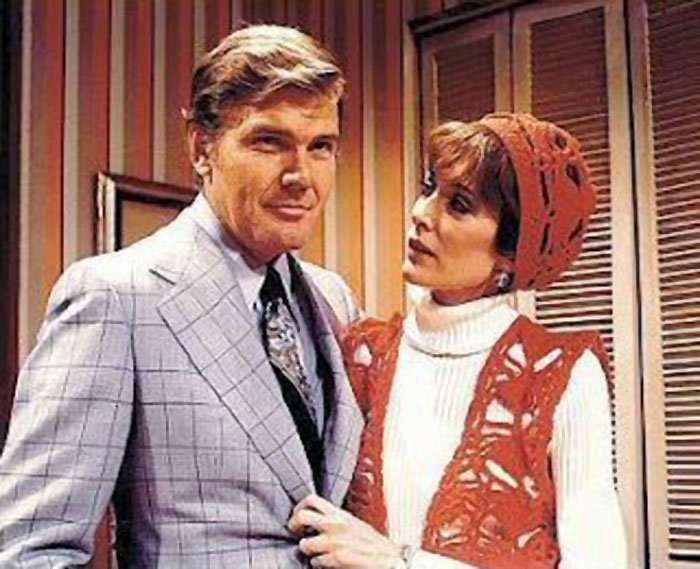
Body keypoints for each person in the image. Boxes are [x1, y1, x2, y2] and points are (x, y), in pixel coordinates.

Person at [0, 25, 363, 568]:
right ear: (201, 148)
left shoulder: (334, 300)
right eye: (269, 142)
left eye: (321, 147)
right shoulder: (114, 297)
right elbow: (29, 551)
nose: (300, 176)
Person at [289, 113, 628, 569]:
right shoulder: (361, 352)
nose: (421, 213)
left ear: (511, 251)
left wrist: (400, 564)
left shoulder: (559, 372)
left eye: (459, 205)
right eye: (429, 187)